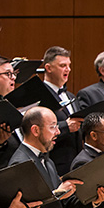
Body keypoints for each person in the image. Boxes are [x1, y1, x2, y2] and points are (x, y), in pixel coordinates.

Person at [41, 46, 81, 175]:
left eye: (69, 65)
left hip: (76, 163)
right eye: (63, 65)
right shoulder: (39, 95)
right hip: (54, 164)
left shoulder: (71, 96)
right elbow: (36, 130)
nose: (68, 69)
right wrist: (65, 127)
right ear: (48, 68)